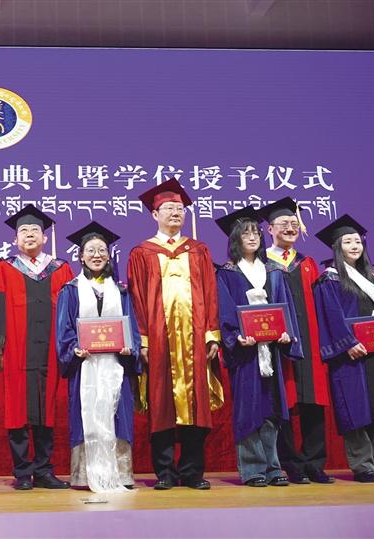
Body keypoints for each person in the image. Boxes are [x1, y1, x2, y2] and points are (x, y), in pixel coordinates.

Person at [126, 179, 223, 490]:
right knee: (161, 404)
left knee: (196, 404)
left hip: (195, 339)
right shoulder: (142, 253)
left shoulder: (199, 250)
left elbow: (211, 293)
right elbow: (137, 299)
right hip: (158, 341)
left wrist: (212, 334)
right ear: (155, 214)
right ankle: (165, 472)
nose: (175, 213)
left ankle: (193, 472)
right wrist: (142, 339)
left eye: (179, 209)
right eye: (168, 208)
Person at [214, 207, 303, 487]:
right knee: (249, 409)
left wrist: (287, 333)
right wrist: (235, 337)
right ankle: (253, 468)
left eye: (255, 232)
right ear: (235, 239)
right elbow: (224, 310)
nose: (252, 237)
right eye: (245, 233)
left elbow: (284, 306)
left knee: (272, 408)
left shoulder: (273, 271)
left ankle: (273, 466)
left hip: (271, 350)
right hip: (246, 352)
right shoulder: (227, 273)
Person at [0, 205, 74, 490]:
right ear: (15, 239)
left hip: (51, 350)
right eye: (23, 231)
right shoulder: (4, 268)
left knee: (46, 408)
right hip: (16, 349)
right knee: (18, 408)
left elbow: (70, 311)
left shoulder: (61, 269)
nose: (29, 235)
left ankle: (44, 470)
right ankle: (23, 472)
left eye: (35, 230)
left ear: (45, 237)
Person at [56, 222, 141, 492]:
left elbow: (131, 327)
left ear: (109, 255)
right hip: (86, 366)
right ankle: (84, 474)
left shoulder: (121, 290)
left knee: (119, 415)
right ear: (81, 256)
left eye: (102, 250)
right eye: (90, 250)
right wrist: (73, 349)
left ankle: (121, 473)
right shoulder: (71, 290)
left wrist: (130, 348)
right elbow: (64, 329)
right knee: (86, 414)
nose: (97, 255)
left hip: (116, 365)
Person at [257, 197, 333, 484]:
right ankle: (291, 464)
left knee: (313, 402)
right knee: (284, 404)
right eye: (283, 224)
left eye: (293, 223)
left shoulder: (307, 263)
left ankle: (315, 463)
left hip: (310, 341)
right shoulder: (263, 263)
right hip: (279, 343)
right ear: (270, 229)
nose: (290, 228)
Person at [313, 215, 374, 483]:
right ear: (337, 247)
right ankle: (363, 465)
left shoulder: (370, 277)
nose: (354, 246)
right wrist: (348, 343)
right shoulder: (330, 279)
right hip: (350, 355)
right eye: (348, 241)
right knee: (356, 409)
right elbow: (331, 315)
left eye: (358, 241)